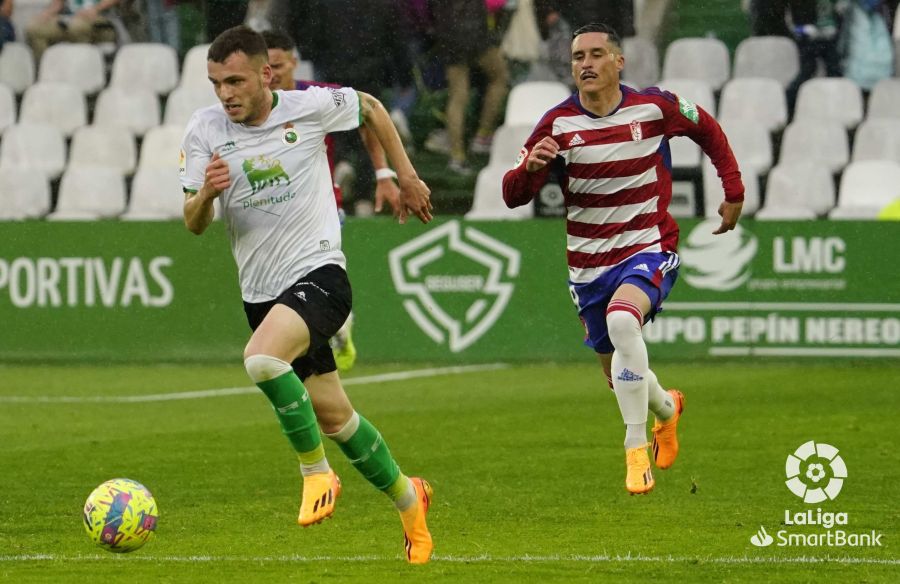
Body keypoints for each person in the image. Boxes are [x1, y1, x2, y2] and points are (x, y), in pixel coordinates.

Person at [179, 26, 435, 562]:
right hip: (261, 293)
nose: (225, 94)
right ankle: (411, 500)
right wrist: (207, 191)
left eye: (235, 80)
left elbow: (371, 108)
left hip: (319, 273)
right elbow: (193, 222)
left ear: (265, 74)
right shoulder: (203, 130)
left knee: (262, 359)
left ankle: (317, 473)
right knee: (336, 418)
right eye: (216, 83)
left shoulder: (310, 107)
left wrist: (402, 175)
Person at [502, 23, 744, 495]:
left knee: (622, 319)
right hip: (588, 265)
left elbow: (709, 131)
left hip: (648, 246)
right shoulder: (556, 124)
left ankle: (636, 451)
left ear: (619, 61)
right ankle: (667, 410)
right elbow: (513, 195)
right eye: (577, 57)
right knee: (615, 369)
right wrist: (529, 170)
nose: (586, 64)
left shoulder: (656, 107)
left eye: (595, 54)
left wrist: (733, 192)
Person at [261, 28, 403, 371]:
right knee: (282, 285)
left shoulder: (316, 96)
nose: (273, 74)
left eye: (279, 65)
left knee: (312, 273)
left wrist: (384, 174)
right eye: (267, 67)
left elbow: (368, 116)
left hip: (322, 204)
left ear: (294, 61)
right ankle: (333, 327)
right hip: (273, 207)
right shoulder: (256, 105)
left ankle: (331, 321)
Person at [25, 0, 120, 63]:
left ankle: (81, 71)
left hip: (100, 20)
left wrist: (96, 9)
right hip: (69, 19)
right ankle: (48, 70)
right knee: (34, 28)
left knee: (77, 27)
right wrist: (48, 13)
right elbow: (58, 4)